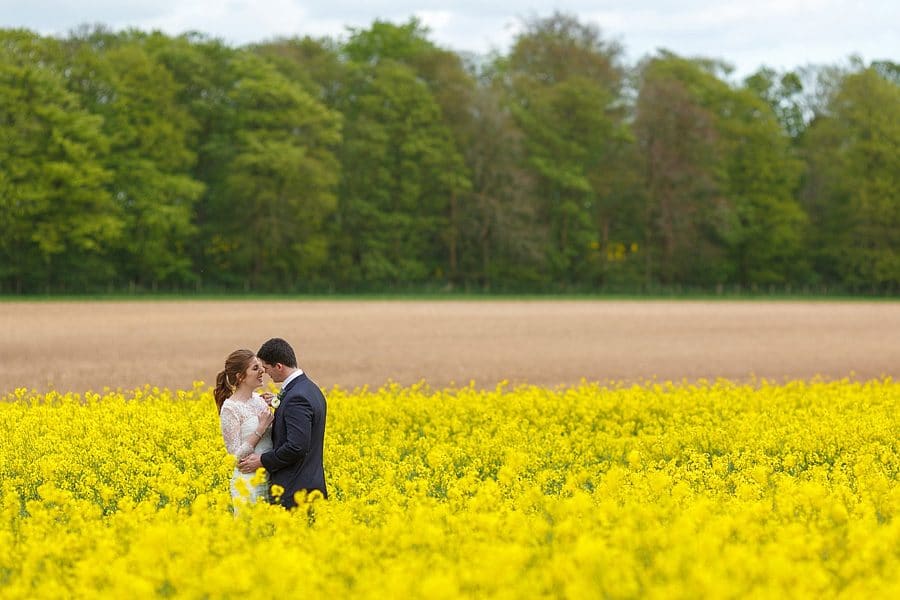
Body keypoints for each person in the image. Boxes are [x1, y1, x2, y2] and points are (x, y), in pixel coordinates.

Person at [239, 337, 328, 508]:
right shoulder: (309, 389)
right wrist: (279, 402)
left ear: (279, 366)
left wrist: (262, 460)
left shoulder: (296, 398)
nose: (265, 373)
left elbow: (296, 446)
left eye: (266, 368)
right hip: (310, 487)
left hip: (296, 493)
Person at [214, 349, 275, 507]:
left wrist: (279, 403)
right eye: (255, 368)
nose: (262, 370)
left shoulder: (259, 400)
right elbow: (234, 457)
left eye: (260, 366)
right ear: (240, 377)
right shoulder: (230, 408)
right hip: (248, 484)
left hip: (271, 479)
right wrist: (260, 429)